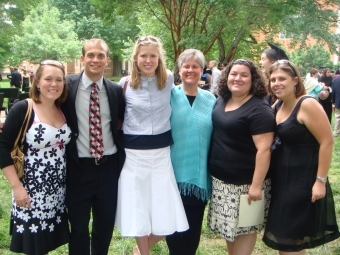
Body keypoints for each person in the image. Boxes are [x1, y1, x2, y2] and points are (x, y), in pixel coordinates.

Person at [115, 35, 188, 255]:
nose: (148, 60)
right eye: (144, 56)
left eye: (153, 56)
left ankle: (141, 249)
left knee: (166, 206)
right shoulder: (125, 84)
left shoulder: (168, 80)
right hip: (133, 154)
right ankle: (143, 253)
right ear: (136, 58)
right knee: (138, 206)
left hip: (161, 153)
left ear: (159, 58)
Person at [263, 60, 340, 254]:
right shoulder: (278, 105)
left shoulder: (307, 104)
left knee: (290, 240)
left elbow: (327, 142)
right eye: (273, 79)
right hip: (282, 180)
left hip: (302, 182)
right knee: (286, 239)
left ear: (295, 80)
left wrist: (320, 181)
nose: (276, 83)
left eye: (282, 78)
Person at [60, 38, 126, 255]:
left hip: (108, 168)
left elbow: (120, 124)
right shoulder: (66, 87)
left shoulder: (116, 91)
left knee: (104, 226)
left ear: (107, 60)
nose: (95, 59)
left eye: (100, 55)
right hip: (78, 167)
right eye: (91, 55)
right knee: (78, 227)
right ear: (82, 59)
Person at [0, 59, 70, 254]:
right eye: (48, 79)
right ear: (37, 82)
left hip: (56, 191)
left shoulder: (62, 108)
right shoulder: (24, 108)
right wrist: (16, 187)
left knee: (45, 244)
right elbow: (3, 147)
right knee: (34, 247)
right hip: (31, 190)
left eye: (59, 80)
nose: (54, 84)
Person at [207, 59, 275, 255]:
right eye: (234, 74)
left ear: (253, 80)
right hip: (222, 182)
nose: (238, 78)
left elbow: (264, 150)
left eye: (244, 75)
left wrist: (256, 185)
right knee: (229, 231)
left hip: (247, 184)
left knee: (244, 230)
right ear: (227, 76)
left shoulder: (259, 109)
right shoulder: (221, 100)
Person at [166, 49, 216, 255]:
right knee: (174, 235)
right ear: (179, 69)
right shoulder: (168, 96)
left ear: (202, 70)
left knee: (192, 236)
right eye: (186, 65)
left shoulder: (211, 100)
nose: (190, 70)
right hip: (171, 177)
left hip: (198, 179)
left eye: (195, 66)